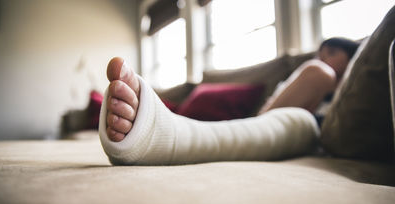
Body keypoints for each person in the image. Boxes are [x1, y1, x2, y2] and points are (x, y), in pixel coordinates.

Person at [99, 37, 359, 165]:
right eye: (320, 52)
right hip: (271, 124)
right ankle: (164, 135)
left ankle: (165, 136)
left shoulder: (344, 87)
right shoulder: (309, 74)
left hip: (303, 129)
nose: (323, 58)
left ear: (353, 60)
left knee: (313, 88)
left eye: (333, 53)